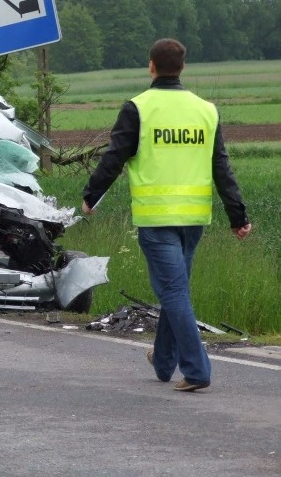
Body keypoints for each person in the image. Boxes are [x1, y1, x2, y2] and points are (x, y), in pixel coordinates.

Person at [81, 38, 251, 392]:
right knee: (177, 290)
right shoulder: (205, 110)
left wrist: (91, 196)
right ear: (183, 68)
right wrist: (238, 217)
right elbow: (222, 167)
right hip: (193, 220)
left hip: (156, 220)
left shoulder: (139, 108)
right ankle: (162, 361)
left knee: (173, 292)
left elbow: (114, 157)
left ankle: (197, 370)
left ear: (151, 66)